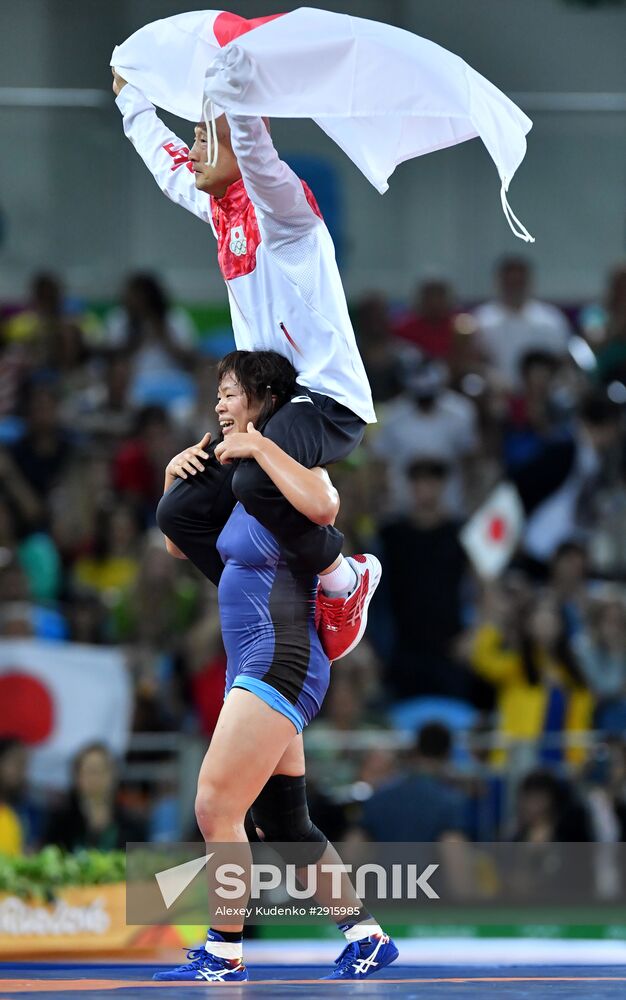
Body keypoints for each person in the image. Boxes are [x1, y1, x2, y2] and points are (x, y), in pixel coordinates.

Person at [112, 56, 378, 661]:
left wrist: (238, 99)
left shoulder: (288, 217)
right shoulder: (219, 210)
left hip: (325, 400)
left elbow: (257, 155)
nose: (194, 149)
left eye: (207, 138)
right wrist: (133, 101)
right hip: (267, 408)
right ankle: (282, 596)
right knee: (178, 511)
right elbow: (168, 166)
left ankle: (343, 578)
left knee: (256, 475)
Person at [155, 350, 397, 982]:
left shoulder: (279, 467)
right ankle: (367, 936)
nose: (218, 406)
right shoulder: (240, 482)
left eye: (229, 394)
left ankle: (223, 952)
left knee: (214, 804)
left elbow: (324, 504)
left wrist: (261, 448)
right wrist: (172, 478)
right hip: (261, 659)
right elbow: (178, 543)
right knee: (283, 822)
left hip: (278, 657)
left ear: (262, 397)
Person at [474, 256, 571, 388]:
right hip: (496, 394)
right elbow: (475, 362)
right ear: (499, 282)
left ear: (529, 282)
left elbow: (562, 360)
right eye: (510, 282)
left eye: (519, 281)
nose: (515, 287)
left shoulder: (551, 320)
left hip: (543, 394)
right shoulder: (481, 320)